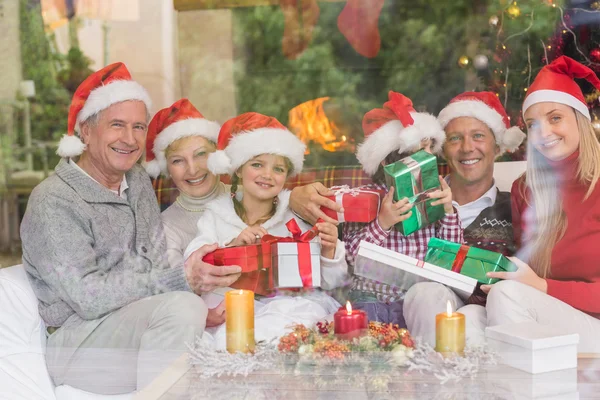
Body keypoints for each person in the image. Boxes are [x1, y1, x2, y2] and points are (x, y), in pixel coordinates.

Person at [20, 63, 214, 394]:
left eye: (139, 127)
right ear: (85, 130)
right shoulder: (52, 201)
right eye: (117, 125)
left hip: (135, 320)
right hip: (77, 343)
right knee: (185, 307)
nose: (129, 139)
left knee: (220, 338)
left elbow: (156, 261)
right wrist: (182, 281)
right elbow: (88, 298)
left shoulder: (136, 180)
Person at [143, 98, 350, 328]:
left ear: (216, 156)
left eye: (201, 154)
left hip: (288, 308)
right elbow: (186, 275)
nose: (193, 169)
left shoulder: (283, 205)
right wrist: (232, 248)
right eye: (178, 161)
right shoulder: (203, 218)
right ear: (238, 170)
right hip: (226, 307)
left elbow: (329, 278)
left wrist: (328, 247)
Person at [492, 56, 600, 353]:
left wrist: (540, 287)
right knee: (469, 317)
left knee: (507, 298)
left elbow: (530, 287)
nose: (544, 132)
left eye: (555, 118)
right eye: (533, 124)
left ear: (580, 118)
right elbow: (524, 268)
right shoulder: (525, 189)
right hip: (550, 312)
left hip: (594, 322)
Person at [402, 91, 526, 346]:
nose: (467, 148)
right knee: (426, 293)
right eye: (455, 138)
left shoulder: (516, 206)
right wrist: (295, 198)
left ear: (498, 147)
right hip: (424, 307)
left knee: (471, 317)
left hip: (488, 312)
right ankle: (432, 380)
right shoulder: (415, 201)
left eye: (478, 136)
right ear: (443, 149)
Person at [343, 91, 462, 326]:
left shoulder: (436, 195)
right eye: (415, 153)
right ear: (387, 161)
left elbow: (450, 259)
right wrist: (382, 223)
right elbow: (351, 257)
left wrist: (447, 211)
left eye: (429, 150)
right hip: (370, 297)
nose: (426, 159)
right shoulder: (366, 200)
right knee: (369, 339)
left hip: (414, 298)